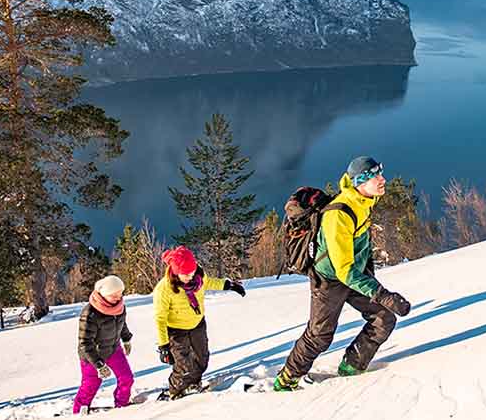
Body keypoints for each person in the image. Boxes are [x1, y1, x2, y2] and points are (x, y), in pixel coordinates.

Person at [274, 156, 411, 392]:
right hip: (328, 280)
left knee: (384, 318)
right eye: (375, 176)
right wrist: (382, 294)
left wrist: (368, 273)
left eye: (380, 173)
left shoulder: (364, 201)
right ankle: (286, 379)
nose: (382, 180)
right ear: (361, 181)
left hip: (353, 275)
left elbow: (361, 246)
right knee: (320, 336)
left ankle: (352, 368)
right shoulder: (339, 214)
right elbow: (343, 270)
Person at [152, 246, 245, 399]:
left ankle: (194, 384)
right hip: (176, 330)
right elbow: (160, 318)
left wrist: (230, 285)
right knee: (183, 365)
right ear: (176, 272)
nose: (190, 277)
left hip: (197, 324)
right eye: (185, 274)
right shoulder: (164, 289)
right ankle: (173, 391)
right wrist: (163, 346)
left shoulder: (198, 277)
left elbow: (210, 283)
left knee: (202, 359)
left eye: (191, 272)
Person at [74, 275, 136, 414]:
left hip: (114, 349)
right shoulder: (90, 313)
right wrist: (99, 364)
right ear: (104, 294)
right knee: (91, 385)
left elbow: (121, 324)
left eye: (120, 293)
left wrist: (126, 339)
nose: (118, 297)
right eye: (114, 295)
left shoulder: (120, 306)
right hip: (92, 355)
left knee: (126, 379)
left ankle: (122, 404)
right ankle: (79, 410)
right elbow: (85, 342)